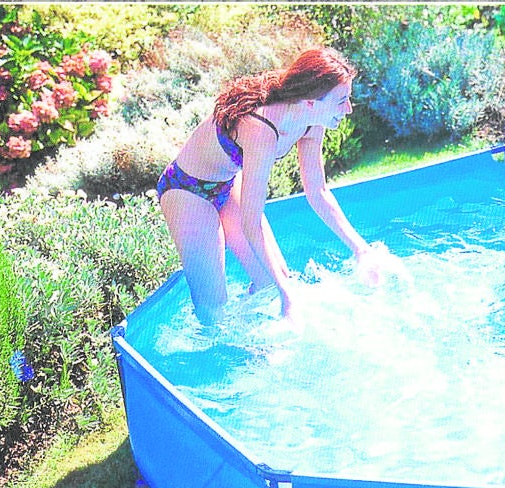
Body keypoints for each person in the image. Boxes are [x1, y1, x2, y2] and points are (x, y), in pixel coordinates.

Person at [157, 47, 398, 325]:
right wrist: (289, 297)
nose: (349, 109)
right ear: (310, 102)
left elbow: (317, 191)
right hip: (187, 191)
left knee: (272, 282)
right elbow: (252, 221)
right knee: (213, 310)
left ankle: (252, 337)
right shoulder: (261, 129)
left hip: (224, 183)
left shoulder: (312, 121)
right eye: (341, 100)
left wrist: (361, 250)